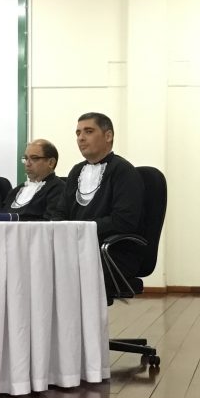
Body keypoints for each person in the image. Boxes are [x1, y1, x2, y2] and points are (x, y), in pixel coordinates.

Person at [47, 112, 144, 280]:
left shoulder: (124, 171)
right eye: (78, 133)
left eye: (88, 131)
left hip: (111, 250)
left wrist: (78, 231)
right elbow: (60, 211)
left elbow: (123, 221)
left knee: (52, 269)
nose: (81, 138)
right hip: (75, 246)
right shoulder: (76, 171)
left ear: (108, 136)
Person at [2, 139, 65, 220]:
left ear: (51, 163)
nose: (27, 164)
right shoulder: (16, 191)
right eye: (26, 159)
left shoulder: (58, 189)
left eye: (34, 158)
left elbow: (50, 224)